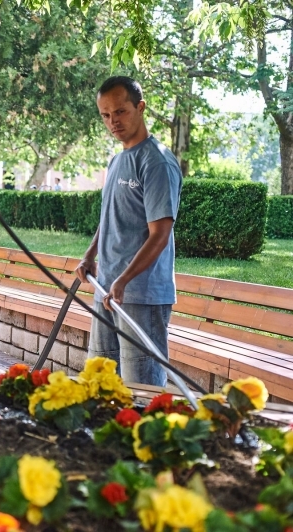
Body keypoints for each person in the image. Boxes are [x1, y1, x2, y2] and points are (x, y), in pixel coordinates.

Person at [74, 76, 182, 387]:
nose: (113, 122)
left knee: (142, 386)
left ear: (140, 107)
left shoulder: (157, 162)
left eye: (120, 112)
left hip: (140, 294)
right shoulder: (117, 161)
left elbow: (160, 234)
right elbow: (111, 216)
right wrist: (90, 255)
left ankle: (151, 436)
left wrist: (124, 279)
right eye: (105, 115)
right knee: (101, 380)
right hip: (106, 287)